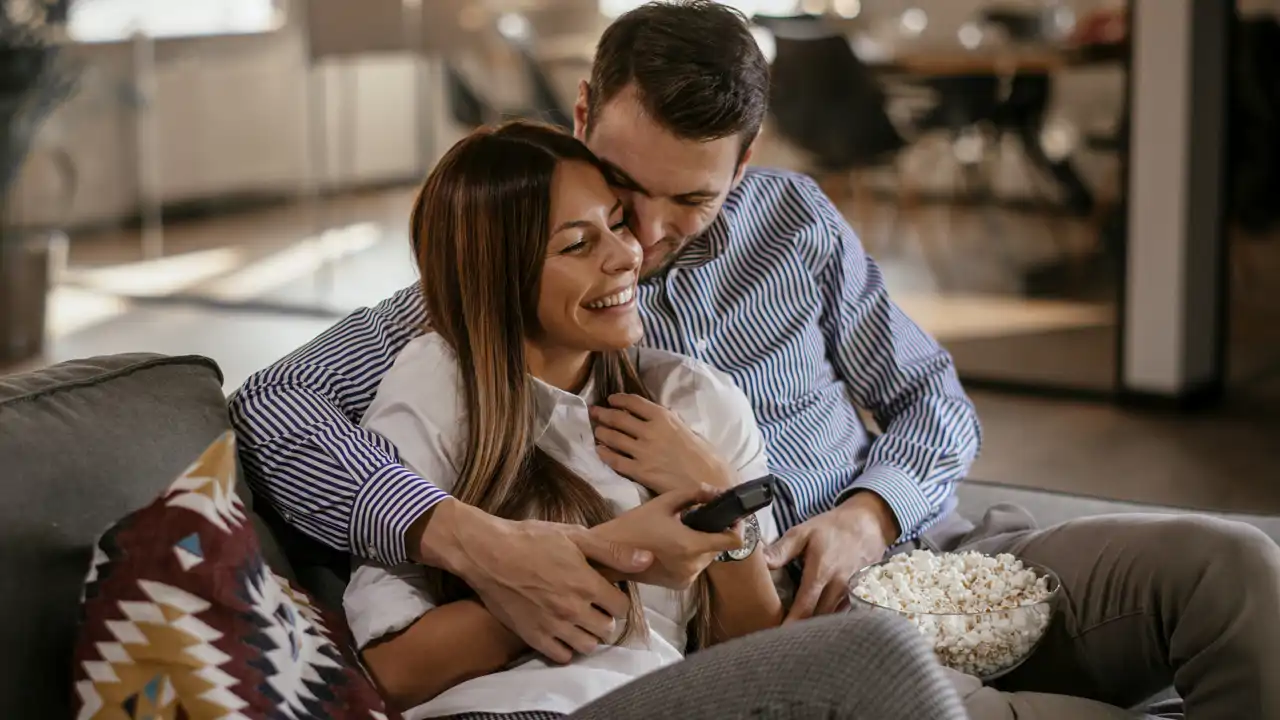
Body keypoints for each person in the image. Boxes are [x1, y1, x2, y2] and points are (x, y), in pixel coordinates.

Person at [230, 2, 1280, 717]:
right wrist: (472, 542)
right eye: (620, 190)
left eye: (691, 200)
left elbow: (929, 399)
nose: (638, 237)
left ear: (750, 157)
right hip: (775, 645)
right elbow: (274, 406)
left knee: (1234, 568)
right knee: (900, 684)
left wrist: (866, 518)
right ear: (586, 113)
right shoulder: (504, 278)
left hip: (930, 559)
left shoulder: (796, 225)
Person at [342, 120, 965, 719]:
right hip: (502, 709)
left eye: (616, 225)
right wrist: (617, 556)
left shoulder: (694, 398)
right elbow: (396, 672)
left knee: (881, 649)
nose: (628, 254)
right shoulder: (435, 390)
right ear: (497, 276)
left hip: (663, 698)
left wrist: (725, 508)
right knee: (880, 652)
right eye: (578, 244)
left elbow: (749, 643)